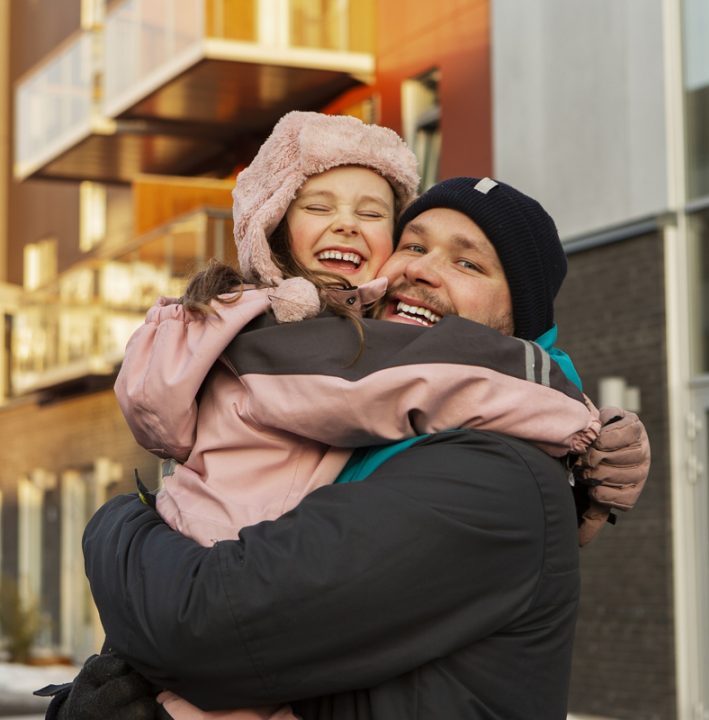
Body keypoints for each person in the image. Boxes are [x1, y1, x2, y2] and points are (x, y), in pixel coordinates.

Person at [44, 174, 649, 720]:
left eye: (469, 265)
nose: (421, 269)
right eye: (413, 246)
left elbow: (211, 622)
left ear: (521, 323)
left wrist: (117, 524)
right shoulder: (366, 426)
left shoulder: (495, 474)